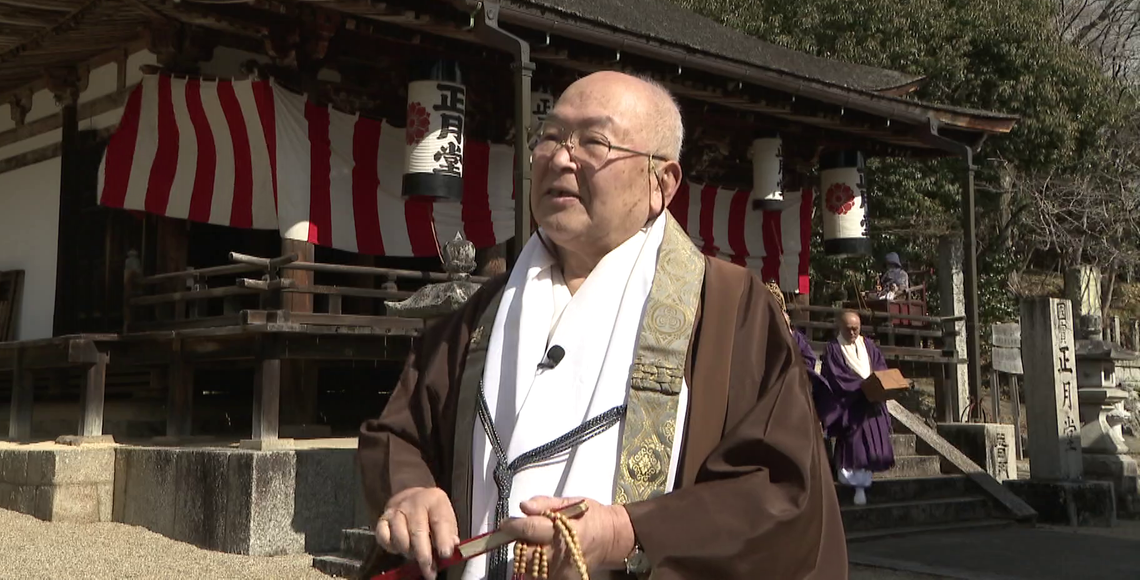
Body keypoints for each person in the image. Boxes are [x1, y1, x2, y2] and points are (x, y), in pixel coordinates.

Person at [358, 71, 847, 580]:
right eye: (549, 137)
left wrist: (627, 531)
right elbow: (400, 433)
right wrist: (411, 489)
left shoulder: (727, 309)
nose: (560, 157)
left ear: (662, 183)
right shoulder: (482, 312)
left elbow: (778, 487)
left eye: (594, 141)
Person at [820, 310, 895, 506]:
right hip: (851, 405)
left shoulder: (868, 345)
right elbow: (836, 377)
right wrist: (861, 386)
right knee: (855, 446)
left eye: (856, 329)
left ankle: (865, 483)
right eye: (848, 329)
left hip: (870, 403)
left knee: (872, 448)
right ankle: (854, 484)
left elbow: (880, 365)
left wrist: (877, 382)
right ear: (840, 327)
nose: (853, 333)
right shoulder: (833, 349)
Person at [765, 281, 834, 425]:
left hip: (792, 386)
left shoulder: (795, 337)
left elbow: (809, 359)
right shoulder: (758, 332)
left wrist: (794, 369)